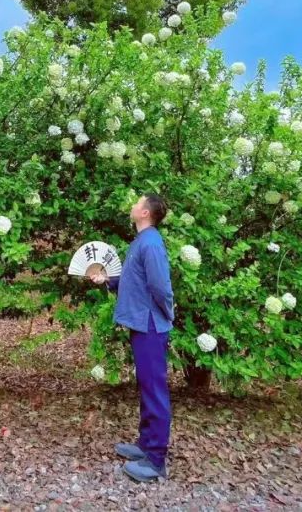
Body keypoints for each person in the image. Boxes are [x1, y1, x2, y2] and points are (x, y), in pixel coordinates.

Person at [90, 193, 174, 482]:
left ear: (146, 213)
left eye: (137, 203)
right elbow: (133, 278)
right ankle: (145, 446)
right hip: (142, 323)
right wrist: (108, 281)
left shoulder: (151, 243)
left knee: (154, 391)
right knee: (146, 386)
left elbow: (160, 286)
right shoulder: (141, 241)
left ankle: (156, 461)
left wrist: (168, 313)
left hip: (150, 324)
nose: (132, 206)